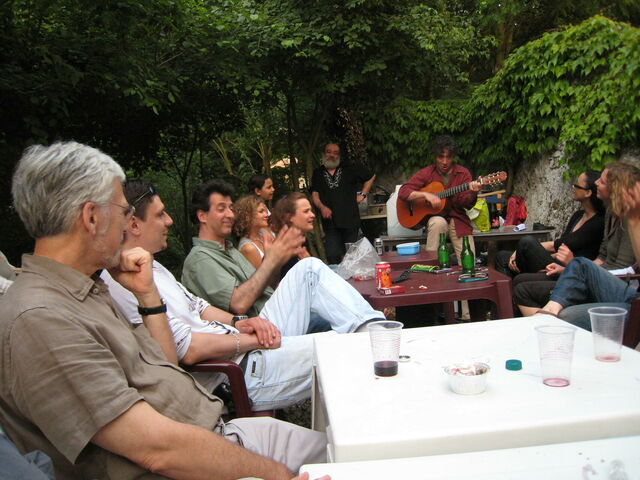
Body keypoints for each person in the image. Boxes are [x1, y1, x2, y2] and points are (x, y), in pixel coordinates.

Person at [0, 142, 327, 480]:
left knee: (343, 447)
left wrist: (147, 294)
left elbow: (166, 366)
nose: (126, 226)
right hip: (195, 459)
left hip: (215, 436)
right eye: (123, 212)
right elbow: (158, 451)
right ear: (92, 217)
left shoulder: (88, 289)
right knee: (341, 458)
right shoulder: (42, 318)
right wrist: (279, 475)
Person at [103, 180, 332, 411]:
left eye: (231, 207)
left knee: (311, 272)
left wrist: (240, 323)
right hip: (237, 367)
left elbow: (199, 306)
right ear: (134, 224)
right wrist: (254, 337)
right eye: (160, 214)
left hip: (250, 338)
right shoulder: (132, 280)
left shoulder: (155, 266)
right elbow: (191, 345)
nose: (169, 220)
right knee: (339, 345)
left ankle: (359, 330)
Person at [181, 179, 385, 331]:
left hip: (272, 313)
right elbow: (239, 304)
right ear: (202, 216)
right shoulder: (200, 259)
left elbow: (263, 287)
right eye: (221, 209)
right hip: (258, 328)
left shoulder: (230, 250)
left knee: (326, 294)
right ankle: (375, 328)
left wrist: (275, 262)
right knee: (310, 268)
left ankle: (370, 326)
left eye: (231, 208)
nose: (230, 214)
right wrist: (272, 260)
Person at [515, 161, 636, 316]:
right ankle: (544, 317)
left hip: (614, 286)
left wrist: (580, 270)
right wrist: (569, 270)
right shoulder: (608, 213)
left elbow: (624, 269)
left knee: (526, 277)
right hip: (593, 276)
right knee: (520, 280)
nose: (597, 183)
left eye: (602, 181)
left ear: (615, 189)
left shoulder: (627, 219)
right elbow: (601, 258)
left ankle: (546, 318)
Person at [398, 135, 481, 320]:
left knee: (468, 263)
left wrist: (473, 193)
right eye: (440, 156)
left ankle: (467, 315)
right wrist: (425, 196)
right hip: (437, 221)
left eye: (448, 157)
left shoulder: (463, 174)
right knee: (437, 222)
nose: (444, 161)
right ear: (435, 156)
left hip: (458, 219)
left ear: (453, 157)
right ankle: (431, 308)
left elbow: (465, 203)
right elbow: (403, 192)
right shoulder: (427, 173)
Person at [496, 170, 605, 277]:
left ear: (588, 193)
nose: (573, 187)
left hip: (568, 269)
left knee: (527, 242)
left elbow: (557, 245)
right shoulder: (578, 215)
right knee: (502, 257)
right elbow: (559, 249)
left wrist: (518, 251)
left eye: (577, 185)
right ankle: (509, 288)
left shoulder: (597, 222)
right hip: (555, 261)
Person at [310, 142, 376, 264]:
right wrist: (322, 207)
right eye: (329, 152)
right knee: (333, 255)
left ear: (339, 156)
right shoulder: (318, 173)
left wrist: (362, 194)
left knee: (351, 257)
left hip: (350, 220)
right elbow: (315, 194)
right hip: (330, 223)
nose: (332, 155)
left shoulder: (349, 168)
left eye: (335, 153)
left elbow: (370, 176)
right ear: (323, 154)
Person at [271, 192, 316, 278]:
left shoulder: (301, 241)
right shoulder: (282, 250)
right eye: (306, 211)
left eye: (311, 210)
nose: (312, 215)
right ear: (290, 217)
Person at [234, 195, 275, 269]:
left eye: (265, 211)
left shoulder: (263, 233)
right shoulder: (248, 248)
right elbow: (263, 275)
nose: (266, 215)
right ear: (248, 216)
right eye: (261, 211)